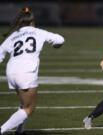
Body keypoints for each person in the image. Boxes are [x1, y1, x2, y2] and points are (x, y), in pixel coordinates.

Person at [0, 7, 65, 135]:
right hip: (26, 72)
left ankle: (20, 131)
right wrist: (56, 45)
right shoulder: (38, 32)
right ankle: (2, 129)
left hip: (11, 71)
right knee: (29, 108)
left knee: (24, 104)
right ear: (32, 21)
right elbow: (60, 39)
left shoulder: (13, 35)